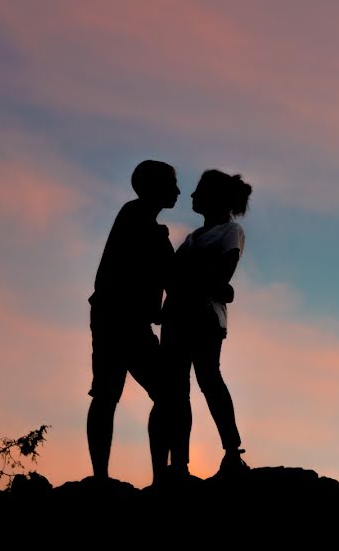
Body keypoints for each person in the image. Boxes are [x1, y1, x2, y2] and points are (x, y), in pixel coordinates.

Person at [86, 160, 179, 485]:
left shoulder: (145, 224)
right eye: (172, 184)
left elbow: (166, 276)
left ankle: (157, 477)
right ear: (154, 188)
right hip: (119, 321)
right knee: (111, 394)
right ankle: (102, 477)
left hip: (127, 321)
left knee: (161, 394)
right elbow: (162, 273)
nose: (178, 191)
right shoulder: (137, 219)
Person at [161, 169, 252, 479]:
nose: (191, 196)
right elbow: (174, 277)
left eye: (198, 191)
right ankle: (179, 465)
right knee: (177, 390)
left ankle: (232, 451)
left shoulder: (230, 231)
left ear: (214, 198)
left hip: (203, 318)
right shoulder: (192, 239)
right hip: (176, 317)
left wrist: (193, 276)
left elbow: (221, 275)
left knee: (209, 380)